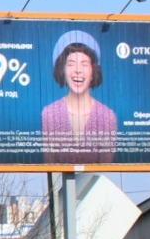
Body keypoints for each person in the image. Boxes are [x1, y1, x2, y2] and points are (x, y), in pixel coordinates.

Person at [39, 29, 117, 164]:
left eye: (84, 64)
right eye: (71, 64)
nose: (78, 70)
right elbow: (49, 162)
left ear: (94, 71)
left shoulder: (107, 117)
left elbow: (106, 163)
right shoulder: (49, 114)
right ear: (61, 69)